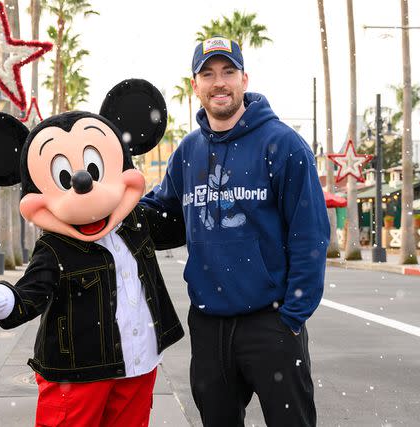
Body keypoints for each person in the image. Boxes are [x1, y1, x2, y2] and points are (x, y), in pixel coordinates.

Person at [0, 79, 185, 427]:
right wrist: (2, 299)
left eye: (94, 170)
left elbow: (186, 223)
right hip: (77, 375)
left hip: (139, 363)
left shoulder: (137, 220)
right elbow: (32, 292)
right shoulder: (54, 247)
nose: (84, 184)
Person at [140, 37, 330, 426]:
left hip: (272, 323)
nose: (219, 82)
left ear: (244, 78)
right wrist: (115, 204)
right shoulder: (188, 152)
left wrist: (292, 317)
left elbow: (310, 236)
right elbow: (162, 216)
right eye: (207, 74)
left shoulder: (283, 144)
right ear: (195, 85)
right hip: (209, 326)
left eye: (228, 72)